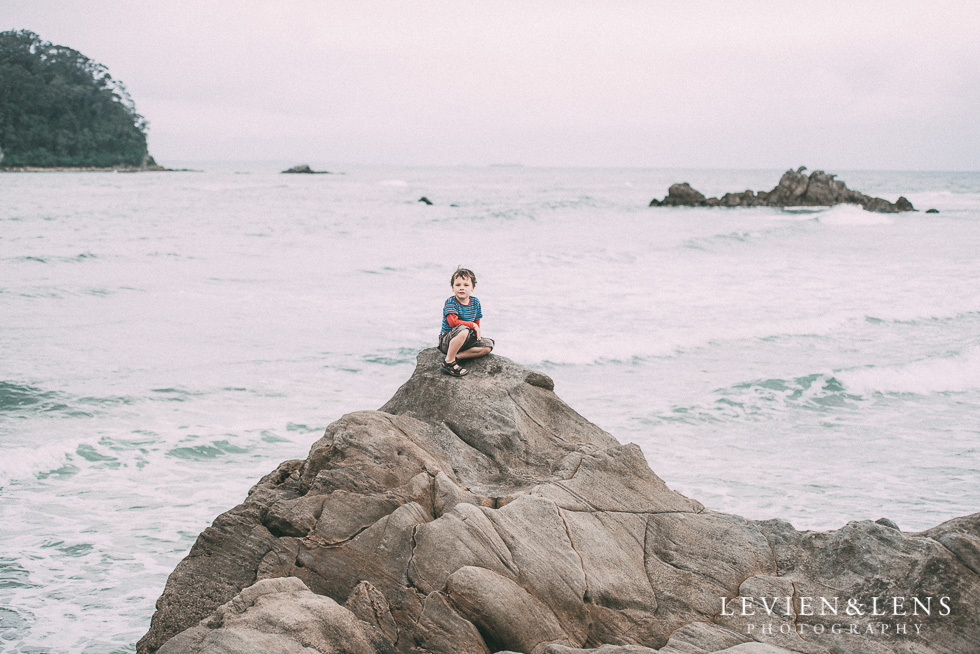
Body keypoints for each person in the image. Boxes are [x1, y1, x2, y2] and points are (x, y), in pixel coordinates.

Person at [438, 267, 494, 377]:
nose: (461, 288)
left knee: (488, 346)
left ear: (472, 288)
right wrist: (472, 326)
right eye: (458, 285)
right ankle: (448, 362)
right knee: (464, 330)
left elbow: (476, 321)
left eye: (466, 285)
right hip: (448, 340)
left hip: (465, 338)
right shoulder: (450, 302)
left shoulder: (475, 302)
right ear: (452, 288)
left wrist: (476, 334)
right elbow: (453, 323)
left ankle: (457, 357)